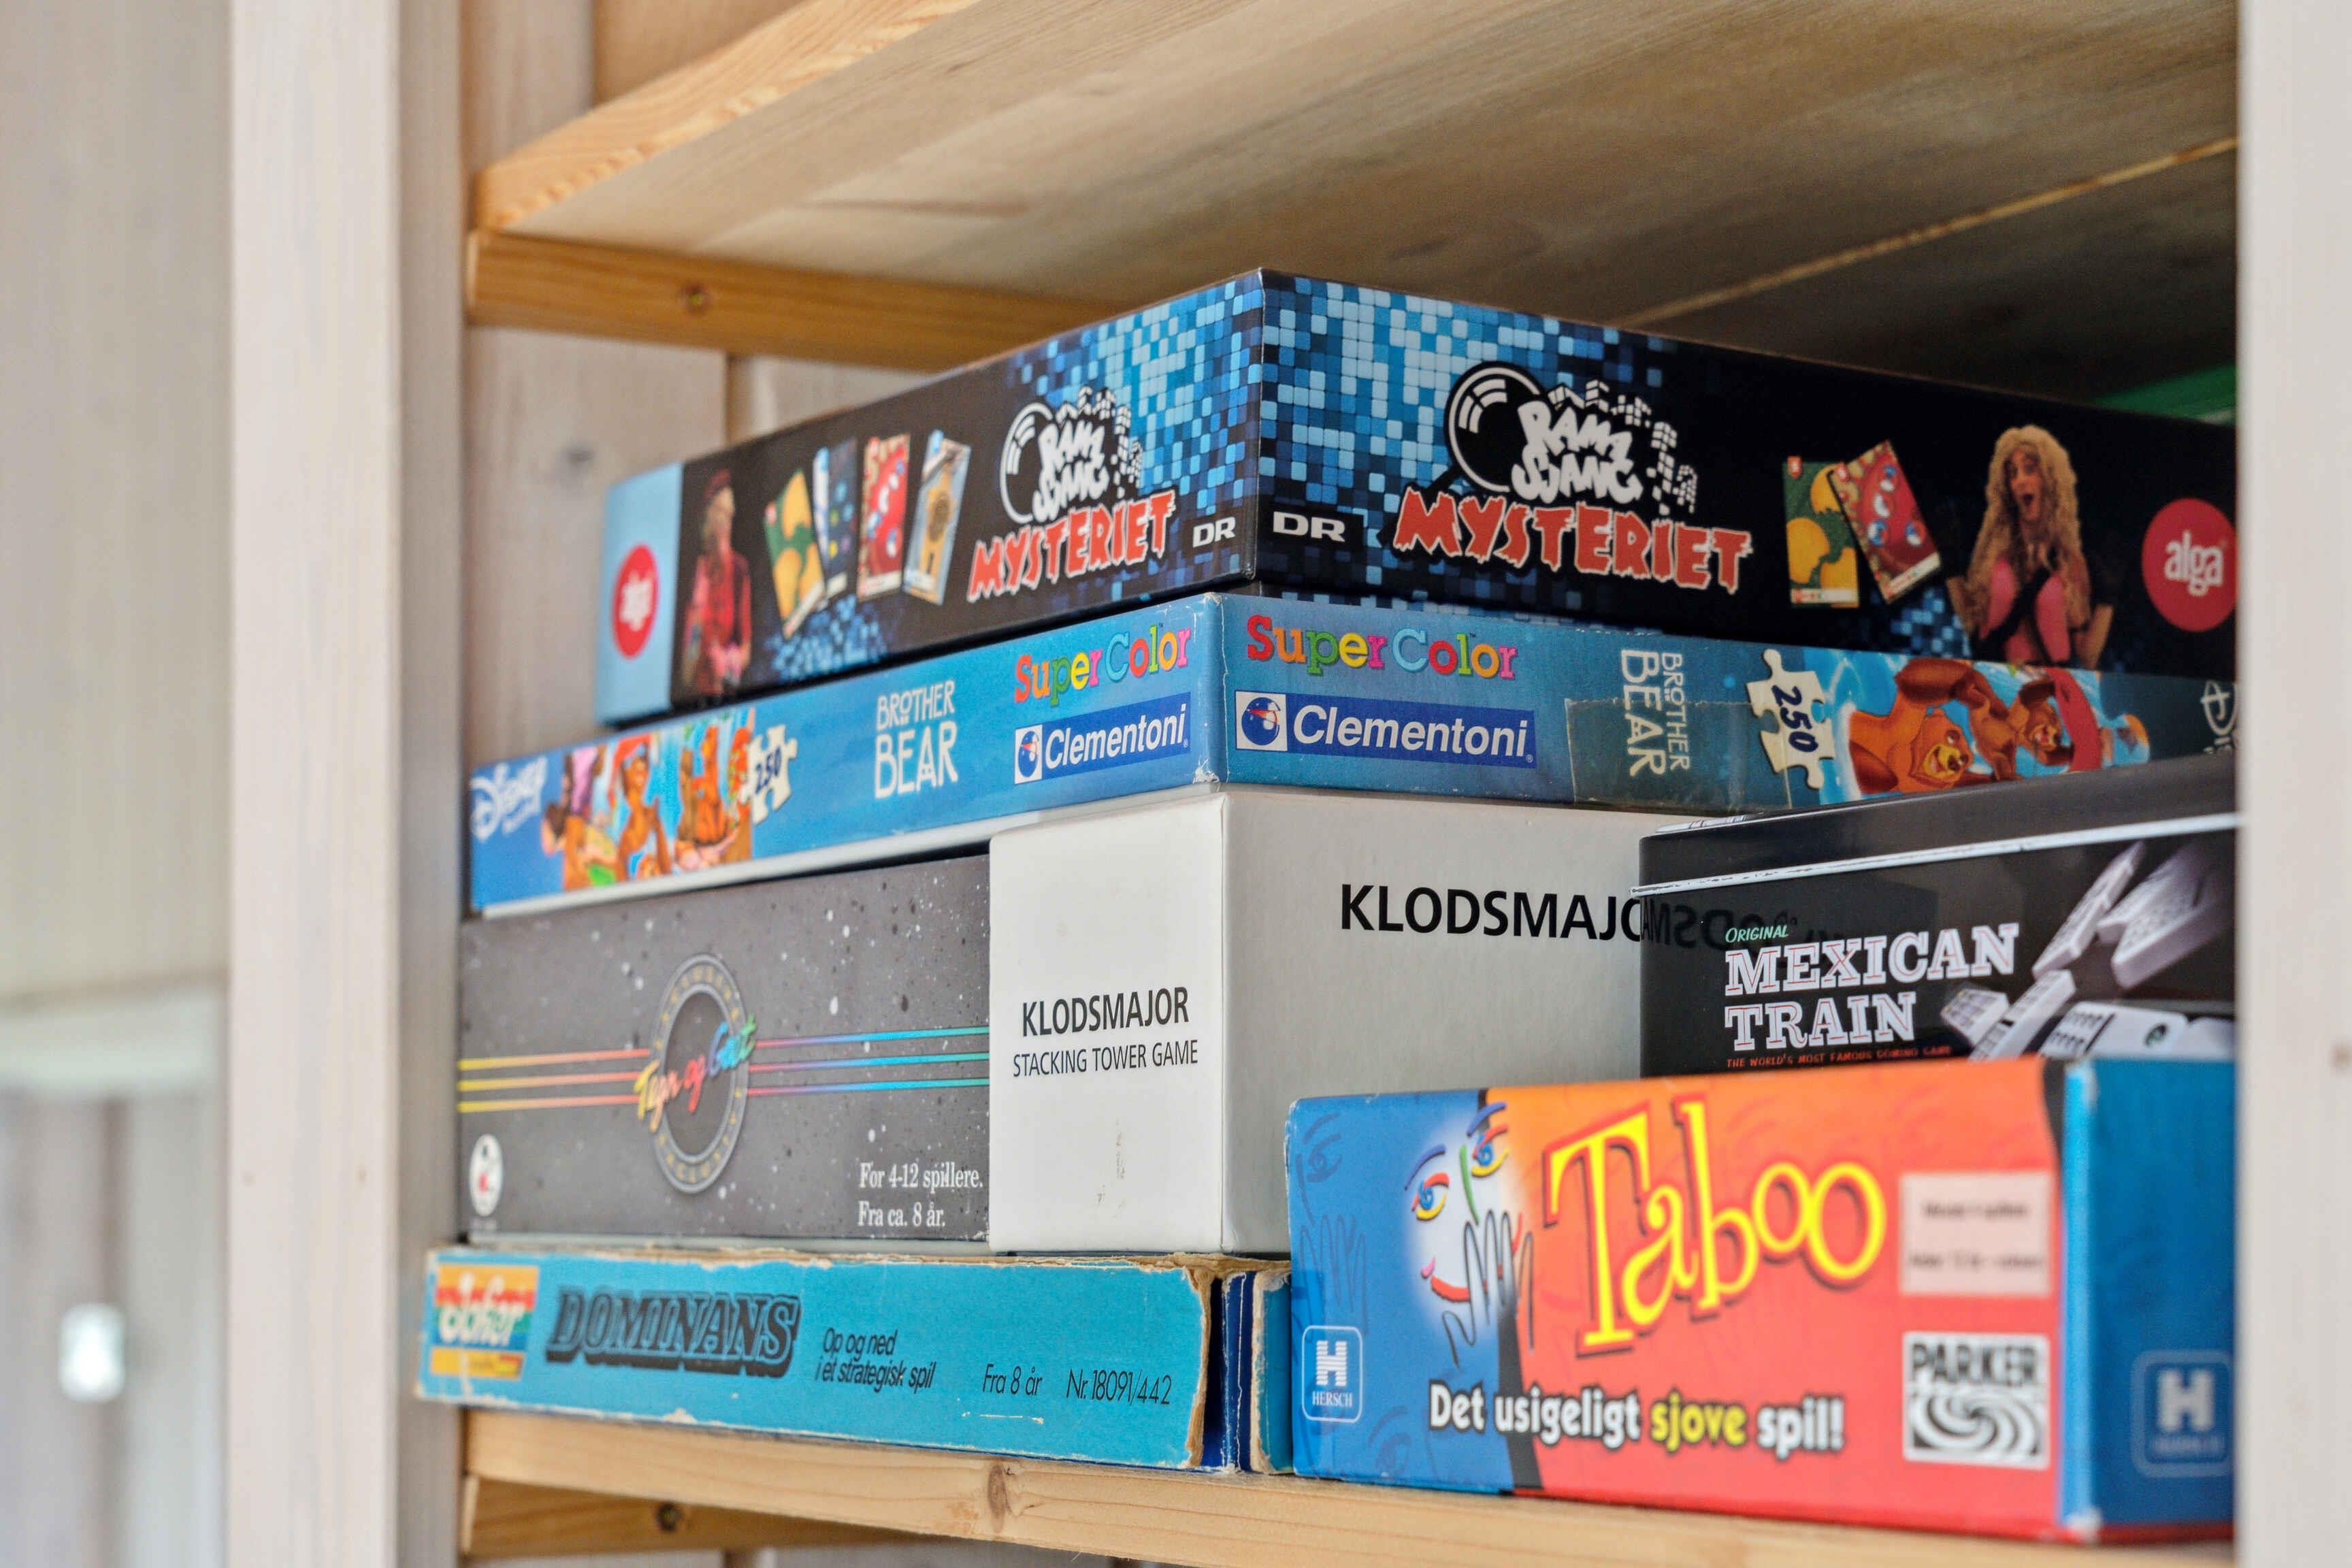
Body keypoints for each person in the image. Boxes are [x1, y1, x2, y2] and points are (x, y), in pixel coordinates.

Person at [1950, 427, 2094, 666]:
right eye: (2012, 474)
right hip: (1999, 680)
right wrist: (1950, 571)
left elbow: (2087, 657)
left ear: (2049, 479)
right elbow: (1972, 624)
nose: (2020, 481)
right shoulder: (1992, 555)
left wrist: (2108, 603)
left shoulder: (2068, 559)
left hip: (2050, 684)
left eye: (2029, 469)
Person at [681, 469, 752, 697]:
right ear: (709, 515)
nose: (725, 522)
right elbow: (687, 668)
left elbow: (746, 649)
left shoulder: (739, 570)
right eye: (720, 512)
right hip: (696, 694)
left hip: (726, 692)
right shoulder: (697, 570)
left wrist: (730, 662)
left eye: (729, 514)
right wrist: (697, 610)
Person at [613, 736, 672, 880]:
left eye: (644, 771)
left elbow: (666, 869)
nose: (642, 777)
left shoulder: (650, 814)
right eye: (637, 771)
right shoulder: (626, 830)